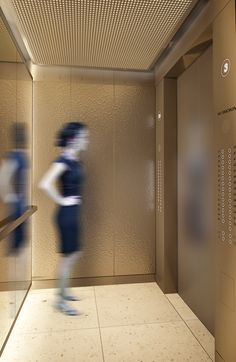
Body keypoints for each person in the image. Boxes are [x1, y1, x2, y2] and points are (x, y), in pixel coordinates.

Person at [39, 121, 89, 316]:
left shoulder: (75, 160)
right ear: (74, 139)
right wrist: (61, 200)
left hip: (73, 211)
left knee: (73, 254)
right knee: (68, 258)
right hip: (66, 214)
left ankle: (63, 291)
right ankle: (59, 301)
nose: (87, 140)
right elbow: (45, 184)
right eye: (85, 137)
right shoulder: (63, 161)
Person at [0, 123, 28, 254]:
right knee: (16, 242)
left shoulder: (22, 156)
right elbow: (3, 179)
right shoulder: (13, 157)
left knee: (22, 241)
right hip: (17, 202)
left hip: (22, 201)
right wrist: (10, 197)